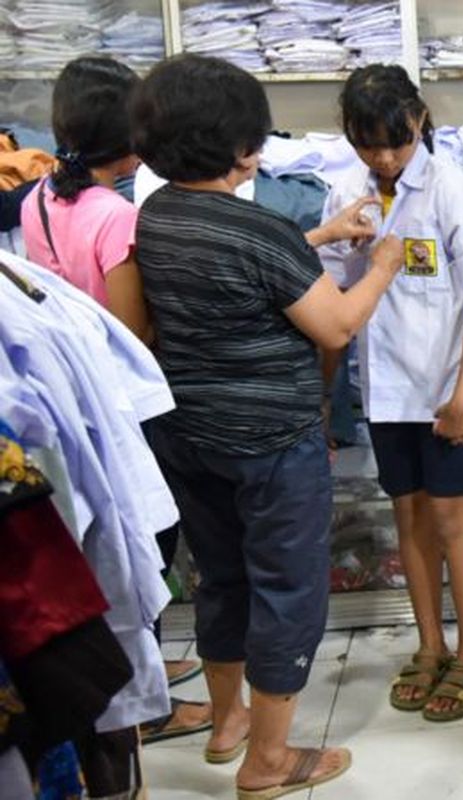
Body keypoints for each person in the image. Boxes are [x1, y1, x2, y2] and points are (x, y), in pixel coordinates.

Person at [131, 54, 404, 798]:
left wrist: (316, 238)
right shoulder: (261, 230)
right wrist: (381, 264)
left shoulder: (155, 217)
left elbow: (241, 269)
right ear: (245, 148)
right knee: (287, 589)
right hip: (270, 444)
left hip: (187, 437)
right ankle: (270, 763)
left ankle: (227, 728)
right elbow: (338, 325)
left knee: (221, 579)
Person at [16, 55, 215, 747]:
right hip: (122, 404)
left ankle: (140, 675)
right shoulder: (116, 216)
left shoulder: (42, 196)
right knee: (144, 543)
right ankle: (147, 703)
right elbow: (134, 330)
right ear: (130, 137)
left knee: (103, 541)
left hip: (74, 400)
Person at [319, 65, 463, 723]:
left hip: (453, 389)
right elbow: (332, 301)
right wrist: (323, 392)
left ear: (419, 122)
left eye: (397, 141)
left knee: (455, 517)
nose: (387, 157)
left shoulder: (452, 187)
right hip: (390, 388)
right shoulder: (346, 191)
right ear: (351, 137)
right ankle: (431, 645)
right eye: (370, 144)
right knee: (410, 518)